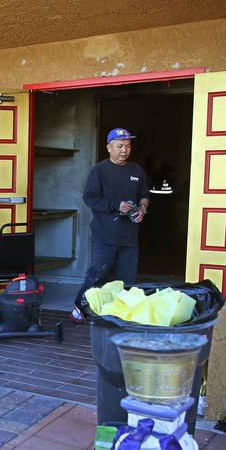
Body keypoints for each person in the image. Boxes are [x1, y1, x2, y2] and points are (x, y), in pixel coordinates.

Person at [71, 128, 150, 323]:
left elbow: (145, 194)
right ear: (109, 147)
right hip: (104, 235)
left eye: (128, 146)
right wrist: (116, 205)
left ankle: (119, 314)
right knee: (97, 274)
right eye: (120, 146)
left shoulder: (137, 171)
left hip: (129, 236)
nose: (124, 150)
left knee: (127, 279)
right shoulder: (99, 171)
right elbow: (89, 198)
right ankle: (78, 308)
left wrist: (142, 208)